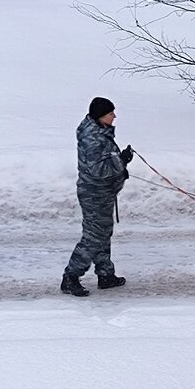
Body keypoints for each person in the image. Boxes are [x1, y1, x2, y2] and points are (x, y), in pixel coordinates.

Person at [61, 97, 133, 297]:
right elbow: (98, 170)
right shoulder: (91, 137)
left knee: (102, 233)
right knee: (94, 237)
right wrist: (121, 161)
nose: (114, 116)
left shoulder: (99, 131)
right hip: (94, 194)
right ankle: (70, 277)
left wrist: (119, 162)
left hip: (103, 192)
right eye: (111, 113)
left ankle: (105, 274)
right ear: (101, 115)